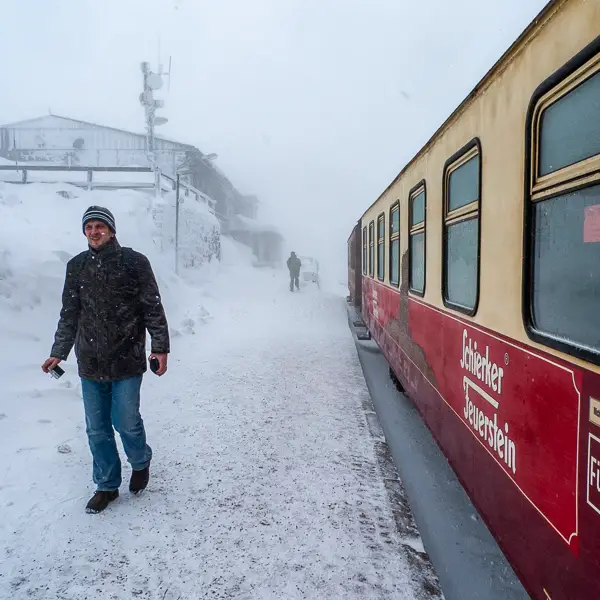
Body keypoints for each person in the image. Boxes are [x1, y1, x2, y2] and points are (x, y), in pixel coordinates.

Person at [41, 206, 170, 514]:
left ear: (112, 230)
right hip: (90, 362)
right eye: (89, 227)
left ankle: (140, 461)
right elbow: (69, 314)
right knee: (96, 428)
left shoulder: (134, 262)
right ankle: (107, 485)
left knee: (125, 421)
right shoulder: (77, 266)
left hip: (126, 357)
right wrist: (59, 350)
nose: (94, 231)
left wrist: (160, 347)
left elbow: (152, 307)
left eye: (100, 226)